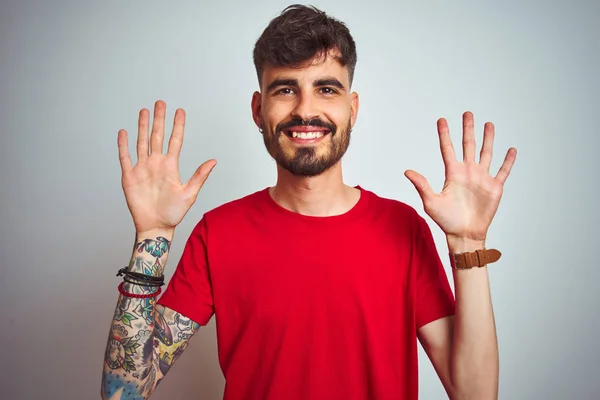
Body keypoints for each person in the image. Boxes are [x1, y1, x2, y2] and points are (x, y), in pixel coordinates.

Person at [101, 4, 517, 400]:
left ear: (351, 109)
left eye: (326, 88)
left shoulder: (403, 228)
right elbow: (126, 392)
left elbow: (475, 393)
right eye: (286, 89)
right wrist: (151, 237)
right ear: (258, 109)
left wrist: (468, 243)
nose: (306, 110)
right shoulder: (219, 233)